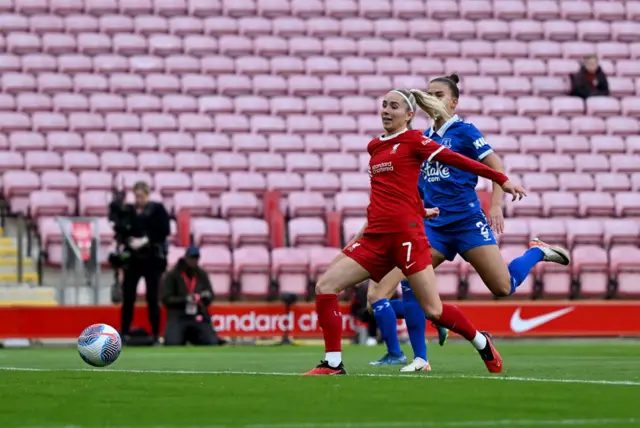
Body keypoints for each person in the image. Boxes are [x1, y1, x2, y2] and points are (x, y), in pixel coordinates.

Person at [303, 88, 527, 376]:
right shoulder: (375, 146)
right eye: (383, 105)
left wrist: (500, 178)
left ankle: (481, 342)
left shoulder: (414, 140)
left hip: (408, 238)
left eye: (393, 106)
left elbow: (457, 160)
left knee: (434, 310)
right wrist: (411, 213)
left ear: (409, 115)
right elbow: (394, 193)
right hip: (377, 238)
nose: (386, 110)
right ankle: (333, 363)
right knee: (325, 287)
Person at [367, 75, 572, 372]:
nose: (433, 99)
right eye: (429, 94)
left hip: (466, 222)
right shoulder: (423, 137)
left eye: (439, 94)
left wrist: (496, 205)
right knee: (406, 280)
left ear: (453, 102)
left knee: (503, 288)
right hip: (435, 228)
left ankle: (537, 252)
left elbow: (496, 167)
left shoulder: (464, 131)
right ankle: (421, 359)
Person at [116, 181, 171, 345]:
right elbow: (120, 231)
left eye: (141, 196)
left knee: (153, 298)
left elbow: (165, 230)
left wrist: (147, 240)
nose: (138, 199)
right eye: (136, 196)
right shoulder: (129, 211)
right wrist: (129, 240)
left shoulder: (158, 209)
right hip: (133, 259)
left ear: (147, 195)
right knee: (128, 297)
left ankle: (155, 334)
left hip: (152, 259)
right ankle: (124, 332)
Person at [162, 246, 224, 346]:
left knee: (211, 342)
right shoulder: (172, 275)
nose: (194, 261)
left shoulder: (201, 274)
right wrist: (185, 299)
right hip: (178, 316)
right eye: (191, 258)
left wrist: (205, 297)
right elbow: (166, 299)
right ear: (185, 257)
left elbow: (211, 295)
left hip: (197, 315)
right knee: (172, 343)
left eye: (196, 258)